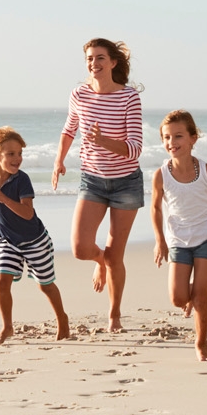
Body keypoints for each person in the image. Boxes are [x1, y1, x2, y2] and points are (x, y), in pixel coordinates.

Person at [50, 38, 144, 334]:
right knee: (80, 248)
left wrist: (103, 141)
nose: (94, 63)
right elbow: (69, 129)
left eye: (100, 57)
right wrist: (59, 160)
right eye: (90, 58)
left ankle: (114, 315)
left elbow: (135, 149)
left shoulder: (129, 97)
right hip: (92, 179)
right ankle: (100, 261)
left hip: (126, 183)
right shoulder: (79, 94)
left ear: (113, 62)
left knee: (117, 256)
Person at [150, 110, 207, 360]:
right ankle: (190, 296)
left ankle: (201, 345)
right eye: (167, 137)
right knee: (178, 297)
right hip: (178, 238)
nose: (172, 142)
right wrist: (159, 241)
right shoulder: (161, 174)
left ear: (193, 138)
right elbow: (155, 208)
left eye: (178, 136)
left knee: (201, 298)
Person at [0, 127, 71, 345]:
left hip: (35, 240)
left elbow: (28, 213)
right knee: (1, 283)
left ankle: (62, 318)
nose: (17, 158)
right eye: (11, 154)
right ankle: (7, 327)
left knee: (45, 285)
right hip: (8, 240)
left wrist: (3, 198)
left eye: (20, 153)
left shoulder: (22, 180)